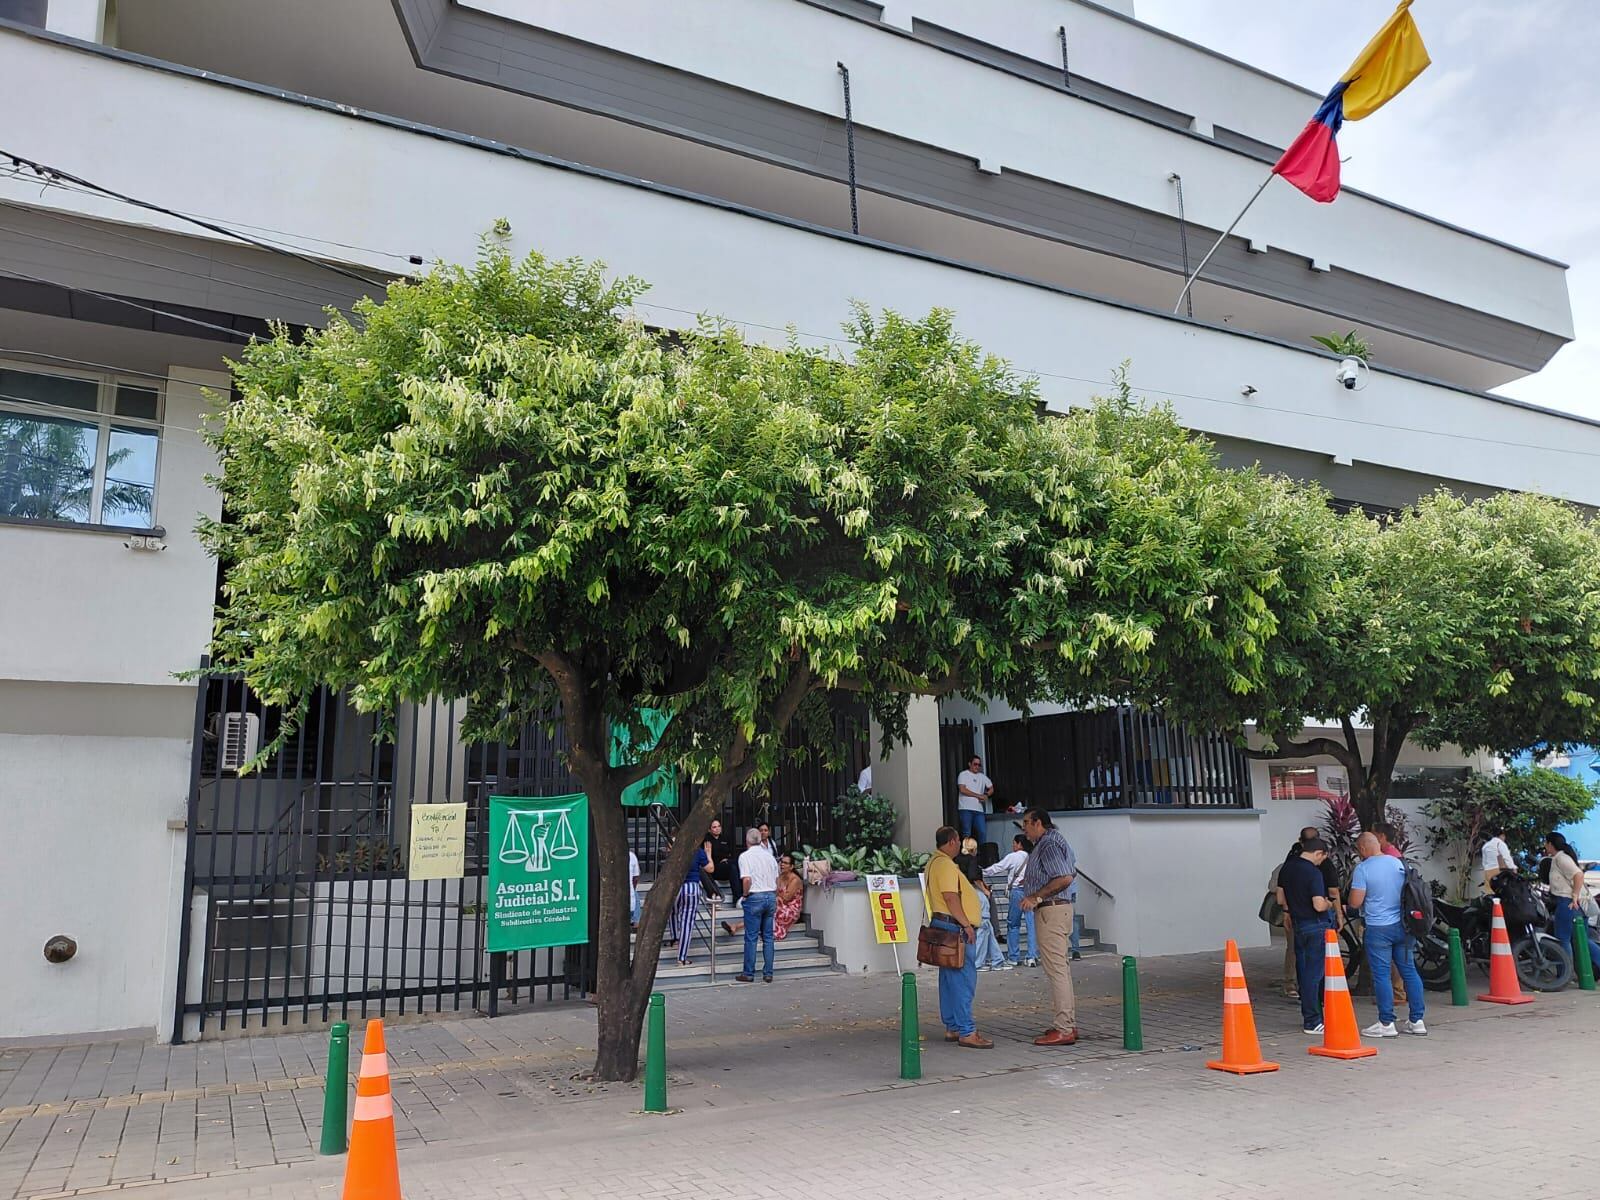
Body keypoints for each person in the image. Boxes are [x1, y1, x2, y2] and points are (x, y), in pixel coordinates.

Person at [1347, 832, 1427, 1037]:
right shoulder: (1398, 864)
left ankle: (1386, 1023)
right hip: (1404, 926)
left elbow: (1355, 902)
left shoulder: (1363, 869)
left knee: (1382, 975)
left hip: (1378, 929)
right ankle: (1417, 1020)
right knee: (1409, 971)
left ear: (1363, 849)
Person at [925, 825, 993, 1049]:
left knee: (949, 980)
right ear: (953, 841)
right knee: (963, 980)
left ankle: (953, 1026)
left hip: (942, 925)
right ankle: (967, 1030)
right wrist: (967, 925)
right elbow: (951, 897)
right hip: (954, 928)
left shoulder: (934, 862)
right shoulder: (945, 865)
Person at [1018, 808, 1078, 1046]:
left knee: (1057, 971)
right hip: (1056, 910)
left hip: (1051, 910)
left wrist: (1036, 896)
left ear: (1038, 823)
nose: (1024, 828)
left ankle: (1064, 1027)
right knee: (1060, 968)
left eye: (1026, 823)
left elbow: (1064, 877)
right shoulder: (1050, 841)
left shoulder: (1049, 844)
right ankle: (1067, 1022)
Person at [1278, 836, 1335, 1035]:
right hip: (1315, 925)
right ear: (1318, 853)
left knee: (1303, 971)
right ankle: (1312, 1020)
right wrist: (1329, 904)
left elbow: (1280, 897)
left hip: (1298, 924)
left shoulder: (1287, 868)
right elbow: (1318, 904)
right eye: (1322, 858)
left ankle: (1310, 1014)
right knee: (1314, 974)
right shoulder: (1313, 873)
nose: (1321, 862)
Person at [1543, 831, 1600, 967]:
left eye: (1545, 843)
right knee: (1581, 939)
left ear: (1550, 844)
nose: (1544, 846)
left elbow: (1578, 875)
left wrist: (1574, 895)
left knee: (1563, 939)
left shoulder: (1560, 858)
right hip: (1575, 904)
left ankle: (1564, 974)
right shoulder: (1563, 857)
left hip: (1567, 902)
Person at [735, 828, 779, 983]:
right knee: (768, 937)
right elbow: (777, 879)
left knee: (751, 937)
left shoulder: (745, 857)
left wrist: (745, 895)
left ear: (747, 841)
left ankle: (748, 973)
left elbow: (746, 879)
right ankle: (768, 973)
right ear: (760, 840)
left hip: (755, 896)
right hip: (770, 895)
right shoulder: (770, 857)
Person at [961, 837, 1010, 972]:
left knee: (987, 927)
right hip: (976, 893)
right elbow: (974, 877)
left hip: (965, 893)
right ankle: (978, 962)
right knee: (984, 925)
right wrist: (985, 891)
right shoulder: (972, 860)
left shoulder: (958, 860)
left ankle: (997, 960)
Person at [989, 834, 1038, 967]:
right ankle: (1032, 956)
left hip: (1017, 891)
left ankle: (1014, 957)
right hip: (1031, 892)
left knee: (1013, 924)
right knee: (1031, 925)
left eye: (1014, 843)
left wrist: (983, 872)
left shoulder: (1013, 856)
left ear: (1019, 844)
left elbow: (998, 867)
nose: (1013, 846)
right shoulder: (1033, 856)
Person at [672, 835, 714, 966]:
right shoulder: (697, 851)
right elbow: (710, 868)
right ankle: (682, 957)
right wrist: (709, 854)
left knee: (672, 912)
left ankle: (674, 937)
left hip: (675, 888)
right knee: (687, 922)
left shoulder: (676, 850)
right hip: (691, 887)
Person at [955, 756, 994, 846]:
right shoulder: (963, 774)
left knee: (982, 832)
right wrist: (978, 795)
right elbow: (962, 789)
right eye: (975, 764)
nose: (977, 767)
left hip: (979, 810)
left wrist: (986, 795)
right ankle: (967, 854)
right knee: (967, 833)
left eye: (979, 765)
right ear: (969, 764)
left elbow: (991, 788)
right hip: (965, 808)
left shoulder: (982, 777)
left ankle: (982, 853)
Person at [773, 853, 805, 940]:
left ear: (791, 867)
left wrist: (778, 896)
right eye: (781, 862)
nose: (782, 864)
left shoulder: (795, 880)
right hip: (780, 904)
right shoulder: (780, 877)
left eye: (785, 863)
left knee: (771, 908)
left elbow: (786, 898)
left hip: (792, 909)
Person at [1481, 825, 1515, 893]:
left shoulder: (1486, 846)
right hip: (1498, 871)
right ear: (1502, 835)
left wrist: (1486, 869)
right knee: (1501, 893)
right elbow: (1507, 858)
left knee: (1489, 892)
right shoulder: (1500, 843)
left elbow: (1484, 862)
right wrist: (1513, 868)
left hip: (1487, 871)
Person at [629, 848, 641, 928]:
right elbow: (636, 877)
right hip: (631, 894)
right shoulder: (632, 856)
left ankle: (636, 921)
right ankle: (636, 921)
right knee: (635, 894)